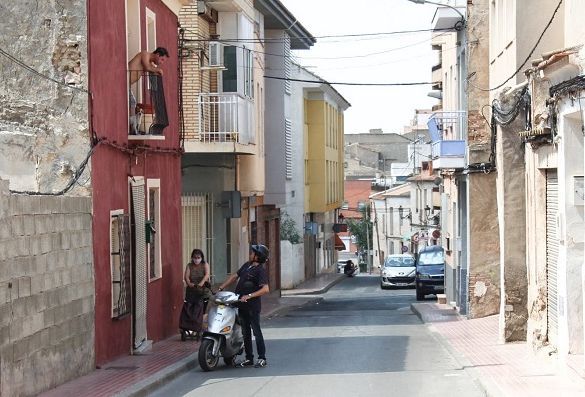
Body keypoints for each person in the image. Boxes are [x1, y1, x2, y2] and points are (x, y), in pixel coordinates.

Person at [218, 244, 270, 368]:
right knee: (245, 332)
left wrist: (250, 295)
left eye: (252, 253)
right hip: (241, 305)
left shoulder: (260, 271)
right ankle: (249, 358)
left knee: (256, 332)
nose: (250, 254)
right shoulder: (247, 265)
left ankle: (262, 358)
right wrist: (222, 287)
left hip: (252, 307)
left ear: (258, 257)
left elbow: (266, 289)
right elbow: (235, 276)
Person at [128, 47, 169, 133]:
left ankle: (132, 126)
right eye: (162, 59)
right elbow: (147, 67)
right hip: (124, 83)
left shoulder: (150, 63)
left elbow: (151, 70)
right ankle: (132, 127)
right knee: (132, 103)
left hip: (127, 86)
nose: (161, 63)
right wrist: (158, 70)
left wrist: (156, 72)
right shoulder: (145, 54)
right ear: (157, 55)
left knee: (133, 103)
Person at [182, 249, 211, 337]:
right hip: (192, 291)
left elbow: (207, 275)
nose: (196, 259)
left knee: (202, 310)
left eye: (198, 258)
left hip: (203, 291)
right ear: (192, 258)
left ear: (201, 258)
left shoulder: (205, 264)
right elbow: (186, 276)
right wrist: (189, 283)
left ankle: (201, 327)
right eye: (195, 258)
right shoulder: (189, 266)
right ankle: (191, 327)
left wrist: (201, 283)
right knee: (190, 309)